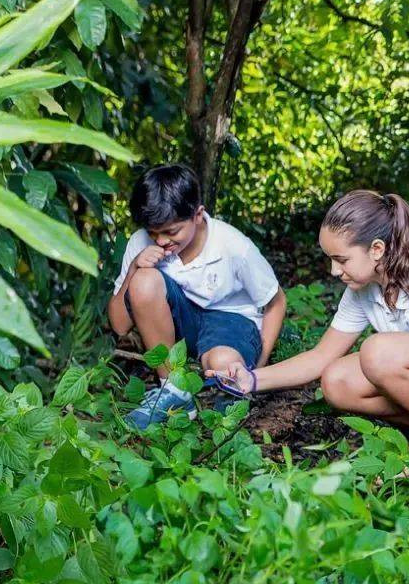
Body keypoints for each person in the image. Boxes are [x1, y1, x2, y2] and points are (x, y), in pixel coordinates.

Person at [214, 190, 409, 474]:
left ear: (377, 249)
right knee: (337, 381)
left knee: (378, 353)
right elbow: (321, 357)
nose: (335, 271)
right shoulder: (364, 288)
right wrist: (251, 379)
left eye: (341, 260)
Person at [108, 164, 287, 428]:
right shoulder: (140, 242)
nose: (160, 241)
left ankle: (230, 394)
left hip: (230, 321)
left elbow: (276, 301)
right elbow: (120, 325)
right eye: (153, 232)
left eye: (171, 232)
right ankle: (174, 390)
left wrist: (258, 369)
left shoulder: (234, 246)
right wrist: (135, 267)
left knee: (223, 364)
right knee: (144, 281)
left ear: (198, 214)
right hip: (180, 322)